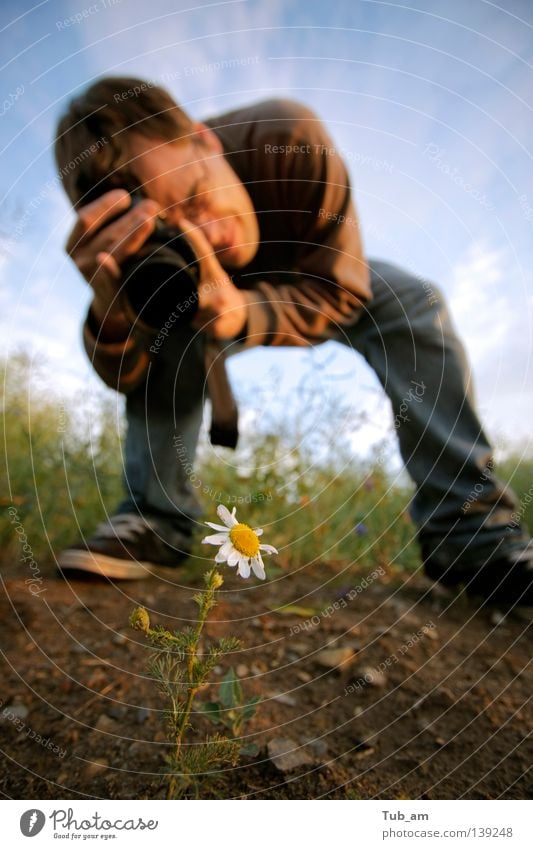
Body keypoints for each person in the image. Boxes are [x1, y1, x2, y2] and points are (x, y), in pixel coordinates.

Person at [54, 76, 532, 604]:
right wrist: (114, 311)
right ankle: (151, 522)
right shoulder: (130, 260)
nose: (205, 236)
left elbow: (342, 291)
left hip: (309, 278)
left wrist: (242, 312)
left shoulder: (286, 137)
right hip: (189, 306)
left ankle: (470, 536)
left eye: (193, 197)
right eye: (170, 230)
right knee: (162, 323)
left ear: (204, 139)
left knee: (410, 302)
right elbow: (126, 377)